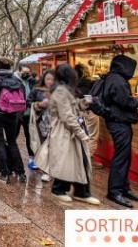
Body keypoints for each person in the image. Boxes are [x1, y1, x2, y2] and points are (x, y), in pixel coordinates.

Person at [34, 64, 100, 205]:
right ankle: (65, 190)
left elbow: (73, 107)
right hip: (65, 134)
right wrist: (82, 134)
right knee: (71, 163)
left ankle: (78, 191)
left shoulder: (63, 90)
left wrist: (85, 101)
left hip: (68, 134)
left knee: (75, 163)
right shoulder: (61, 91)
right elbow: (67, 117)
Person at [102, 55, 138, 208]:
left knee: (125, 156)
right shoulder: (117, 80)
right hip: (119, 122)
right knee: (121, 157)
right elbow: (125, 100)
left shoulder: (113, 78)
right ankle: (115, 190)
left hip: (119, 122)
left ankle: (123, 188)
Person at [28, 69, 56, 183]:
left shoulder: (59, 91)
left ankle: (51, 171)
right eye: (48, 79)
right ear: (44, 79)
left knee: (53, 147)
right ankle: (46, 171)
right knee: (44, 147)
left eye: (53, 79)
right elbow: (28, 101)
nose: (50, 81)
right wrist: (38, 104)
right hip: (41, 122)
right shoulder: (37, 90)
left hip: (56, 122)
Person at [75, 63, 100, 164]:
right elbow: (89, 99)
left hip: (80, 114)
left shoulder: (74, 84)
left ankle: (83, 158)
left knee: (83, 135)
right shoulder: (89, 83)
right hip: (90, 112)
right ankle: (88, 161)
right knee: (92, 136)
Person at [16, 65, 36, 170]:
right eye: (24, 72)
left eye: (28, 72)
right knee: (13, 136)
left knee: (30, 137)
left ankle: (31, 158)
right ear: (19, 72)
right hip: (17, 114)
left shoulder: (33, 82)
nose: (26, 74)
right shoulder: (15, 81)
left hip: (29, 114)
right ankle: (12, 158)